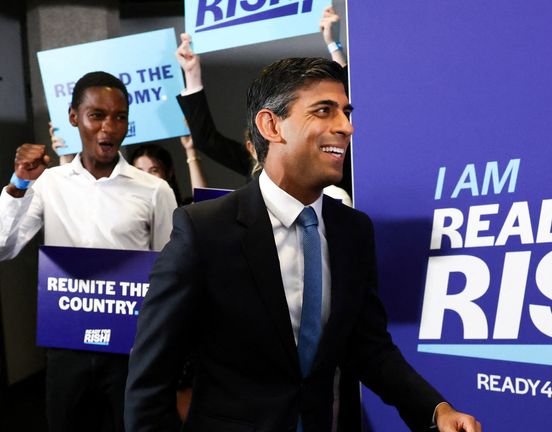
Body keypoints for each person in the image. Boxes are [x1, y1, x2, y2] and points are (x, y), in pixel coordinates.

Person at [125, 58, 480, 432]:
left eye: (345, 112)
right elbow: (151, 375)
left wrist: (436, 410)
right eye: (324, 111)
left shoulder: (354, 231)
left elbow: (369, 348)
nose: (346, 127)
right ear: (271, 125)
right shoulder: (204, 229)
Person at [0, 71, 176, 431]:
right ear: (73, 118)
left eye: (119, 116)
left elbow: (169, 270)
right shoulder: (48, 183)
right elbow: (4, 247)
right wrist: (18, 185)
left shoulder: (154, 190)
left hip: (131, 350)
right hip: (67, 346)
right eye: (97, 115)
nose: (109, 128)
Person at [174, 6, 354, 200]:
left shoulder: (335, 161)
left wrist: (335, 46)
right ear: (267, 130)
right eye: (322, 110)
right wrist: (191, 74)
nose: (346, 127)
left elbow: (344, 98)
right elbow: (207, 140)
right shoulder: (254, 166)